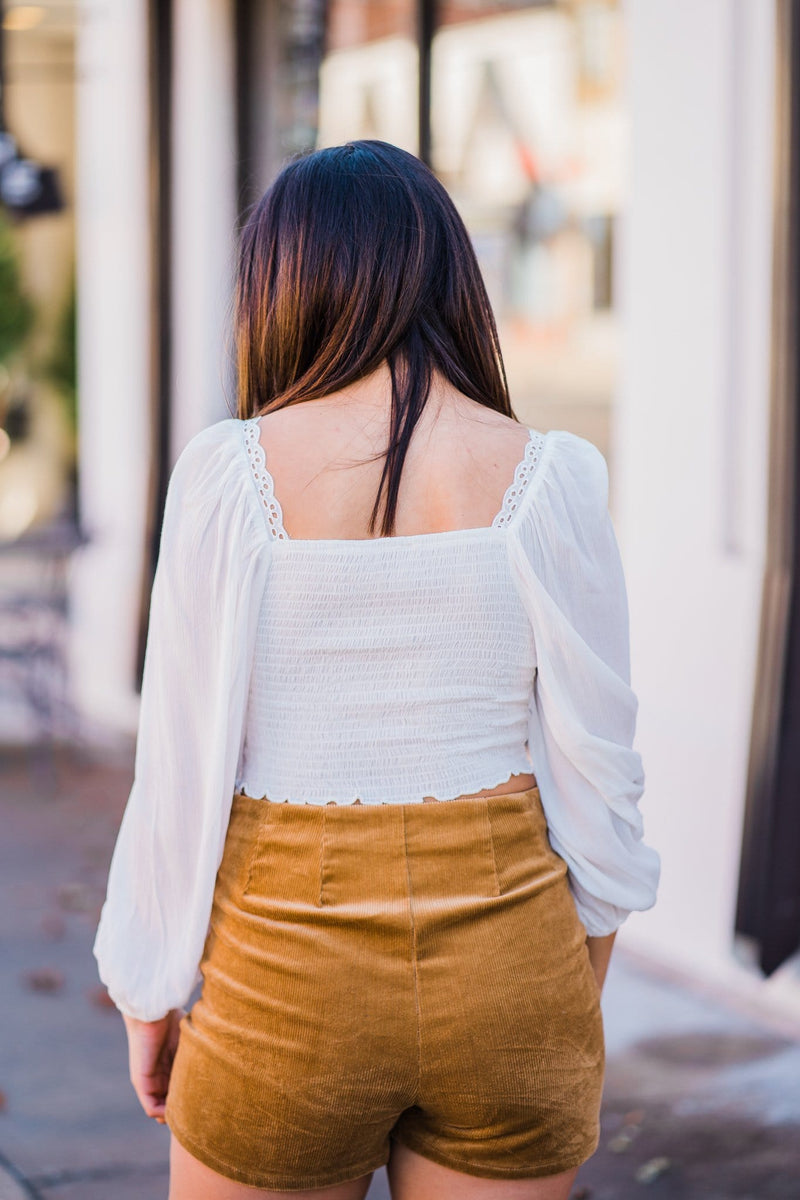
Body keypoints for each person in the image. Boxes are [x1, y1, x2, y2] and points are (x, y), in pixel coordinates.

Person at [93, 139, 660, 1200]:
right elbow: (599, 772)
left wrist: (148, 990)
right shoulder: (553, 477)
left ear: (283, 287)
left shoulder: (227, 474)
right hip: (513, 957)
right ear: (449, 277)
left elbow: (176, 775)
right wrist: (564, 992)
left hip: (282, 971)